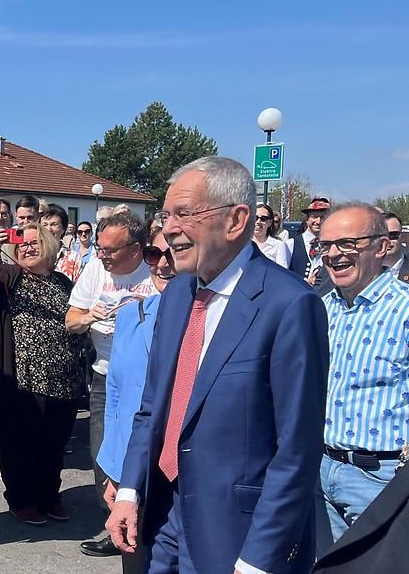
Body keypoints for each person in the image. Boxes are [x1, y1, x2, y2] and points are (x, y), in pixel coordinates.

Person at [107, 156, 327, 574]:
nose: (169, 228)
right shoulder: (176, 296)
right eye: (166, 214)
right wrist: (130, 491)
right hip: (161, 516)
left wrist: (261, 558)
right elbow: (152, 408)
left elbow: (297, 449)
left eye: (185, 214)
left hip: (234, 535)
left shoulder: (290, 305)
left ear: (236, 220)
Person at [313, 150, 409, 573]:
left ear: (382, 248)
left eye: (347, 244)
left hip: (381, 478)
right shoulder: (323, 308)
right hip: (323, 471)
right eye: (326, 244)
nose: (334, 253)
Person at [0, 221, 83, 527]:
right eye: (22, 244)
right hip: (21, 379)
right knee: (20, 446)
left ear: (49, 245)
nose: (28, 247)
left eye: (34, 242)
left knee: (53, 445)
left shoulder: (63, 283)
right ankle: (21, 500)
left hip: (63, 378)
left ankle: (49, 497)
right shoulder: (9, 276)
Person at [82, 229, 176, 564]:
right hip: (134, 469)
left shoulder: (206, 319)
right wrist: (114, 472)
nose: (163, 264)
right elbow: (116, 396)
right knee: (137, 561)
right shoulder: (130, 316)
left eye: (174, 253)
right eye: (155, 254)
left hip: (178, 473)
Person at [67, 212, 156, 515]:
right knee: (102, 450)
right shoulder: (94, 269)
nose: (101, 255)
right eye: (99, 247)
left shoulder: (154, 271)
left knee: (143, 450)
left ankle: (143, 521)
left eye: (109, 250)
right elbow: (71, 320)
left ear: (134, 249)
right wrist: (89, 316)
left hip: (148, 379)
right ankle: (111, 521)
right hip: (105, 375)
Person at [289, 197, 330, 284]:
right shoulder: (291, 244)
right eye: (314, 217)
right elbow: (283, 276)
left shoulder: (332, 245)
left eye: (322, 217)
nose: (318, 221)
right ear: (307, 220)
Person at [253, 203, 290, 268]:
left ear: (270, 222)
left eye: (263, 219)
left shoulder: (278, 245)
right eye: (255, 218)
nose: (258, 221)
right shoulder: (243, 244)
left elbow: (282, 272)